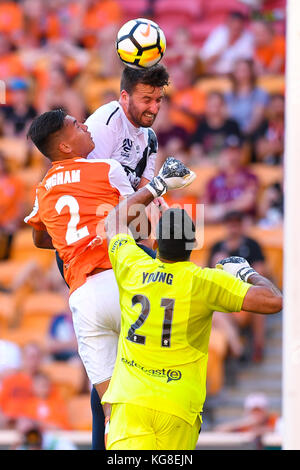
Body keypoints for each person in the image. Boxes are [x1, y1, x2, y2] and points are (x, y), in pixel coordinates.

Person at [102, 159, 282, 450]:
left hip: (131, 400)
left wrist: (157, 185)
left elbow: (113, 221)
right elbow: (273, 301)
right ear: (193, 244)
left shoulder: (131, 266)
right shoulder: (205, 281)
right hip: (179, 404)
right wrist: (247, 272)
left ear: (156, 244)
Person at [24, 109, 170, 449]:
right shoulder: (107, 168)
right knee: (153, 385)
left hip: (85, 297)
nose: (86, 127)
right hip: (124, 282)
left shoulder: (44, 187)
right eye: (76, 125)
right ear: (63, 145)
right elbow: (133, 222)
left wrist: (69, 242)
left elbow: (38, 238)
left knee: (108, 406)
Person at [208, 211, 270, 362]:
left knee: (260, 304)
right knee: (214, 313)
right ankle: (238, 349)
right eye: (230, 224)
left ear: (242, 225)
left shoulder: (252, 245)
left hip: (246, 293)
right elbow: (209, 275)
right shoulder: (217, 247)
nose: (233, 228)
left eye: (237, 224)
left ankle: (258, 346)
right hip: (224, 296)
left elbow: (260, 273)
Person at [201, 135, 258, 224]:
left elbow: (248, 202)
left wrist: (222, 209)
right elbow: (203, 209)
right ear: (223, 154)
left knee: (247, 221)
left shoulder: (249, 177)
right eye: (229, 152)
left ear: (241, 154)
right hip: (219, 222)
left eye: (236, 152)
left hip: (241, 222)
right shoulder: (213, 180)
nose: (233, 156)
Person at [189, 91, 242, 165]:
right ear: (206, 107)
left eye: (218, 105)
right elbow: (196, 149)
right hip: (205, 164)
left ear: (224, 106)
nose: (215, 109)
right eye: (212, 106)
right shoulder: (201, 126)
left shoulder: (232, 125)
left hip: (226, 164)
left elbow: (236, 150)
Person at [199, 11, 254, 75]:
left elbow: (247, 64)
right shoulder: (219, 34)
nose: (236, 27)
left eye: (238, 26)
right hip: (215, 74)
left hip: (236, 76)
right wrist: (224, 47)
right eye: (233, 24)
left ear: (242, 26)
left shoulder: (248, 38)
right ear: (228, 23)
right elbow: (205, 61)